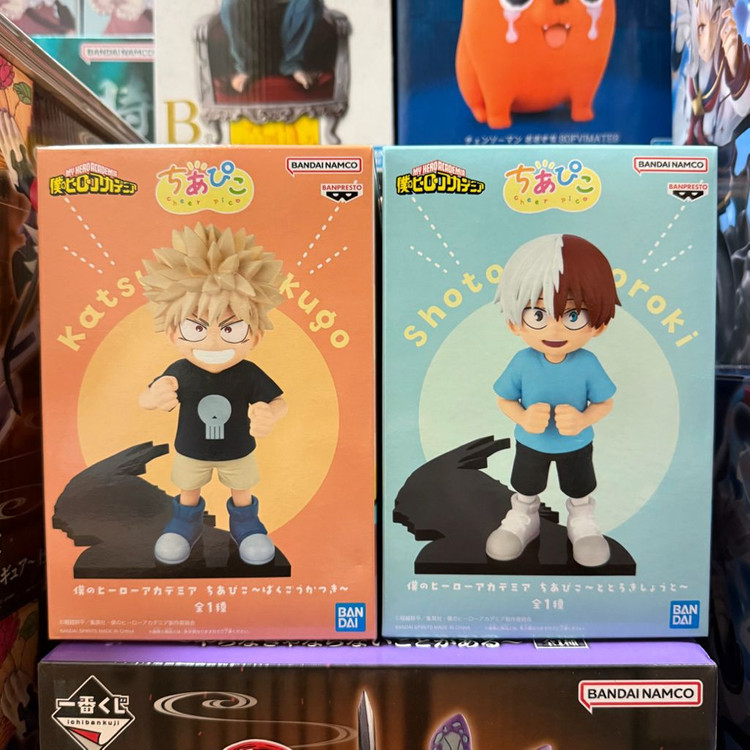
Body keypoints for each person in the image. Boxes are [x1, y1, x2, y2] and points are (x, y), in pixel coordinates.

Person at [139, 223, 287, 566]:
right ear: (172, 333)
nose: (213, 340)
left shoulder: (248, 373)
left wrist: (271, 414)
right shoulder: (180, 370)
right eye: (196, 328)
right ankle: (184, 524)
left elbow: (279, 401)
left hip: (239, 450)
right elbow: (145, 398)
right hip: (191, 450)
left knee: (242, 490)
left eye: (231, 328)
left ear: (255, 336)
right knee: (188, 491)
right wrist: (154, 397)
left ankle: (246, 525)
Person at [487, 234, 619, 568]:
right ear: (514, 322)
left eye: (574, 315)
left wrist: (583, 420)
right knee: (526, 483)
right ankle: (523, 516)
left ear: (599, 323)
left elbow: (605, 403)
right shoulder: (522, 362)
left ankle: (582, 520)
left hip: (576, 444)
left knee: (579, 485)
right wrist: (522, 417)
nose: (555, 329)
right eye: (538, 314)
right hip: (531, 442)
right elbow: (504, 398)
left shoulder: (588, 364)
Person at [219, 0, 322, 93]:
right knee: (230, 2)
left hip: (291, 11)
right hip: (254, 14)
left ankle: (293, 64)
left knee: (308, 2)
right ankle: (248, 67)